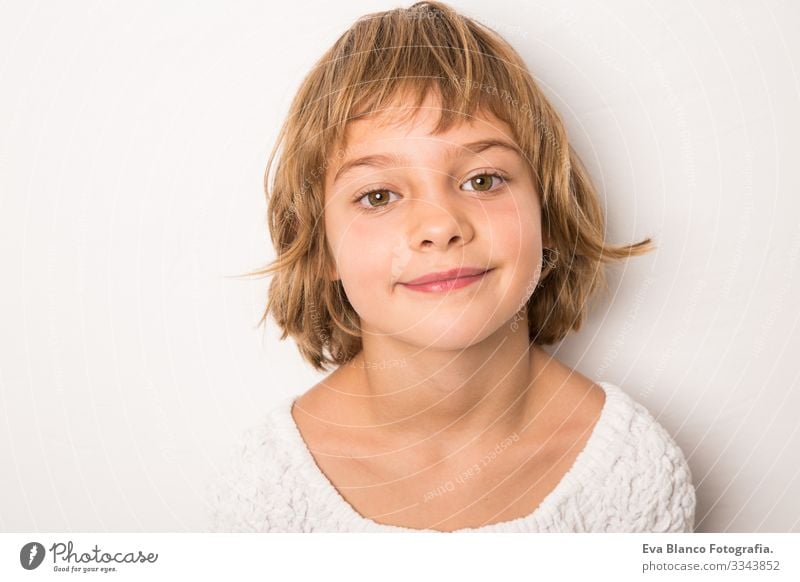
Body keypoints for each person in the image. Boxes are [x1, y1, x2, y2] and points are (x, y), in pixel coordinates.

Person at [207, 0, 696, 533]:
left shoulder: (630, 472)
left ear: (548, 211)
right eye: (377, 196)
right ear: (321, 246)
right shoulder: (266, 488)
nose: (439, 226)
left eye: (481, 180)